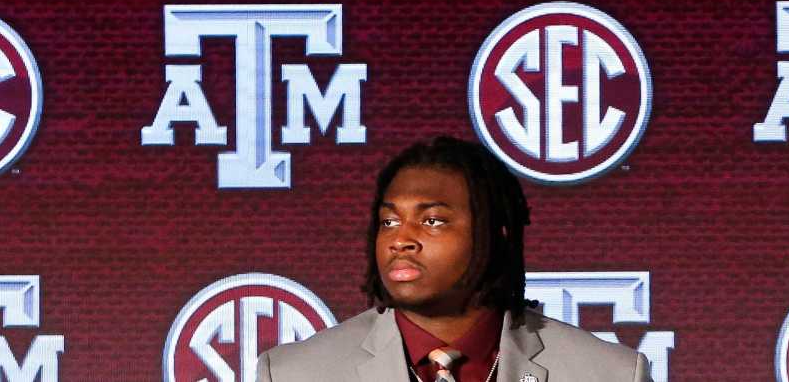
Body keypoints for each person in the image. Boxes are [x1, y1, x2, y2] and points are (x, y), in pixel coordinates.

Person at [258, 136, 652, 381]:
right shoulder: (295, 373)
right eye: (389, 221)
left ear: (494, 233)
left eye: (432, 220)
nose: (401, 240)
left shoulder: (609, 374)